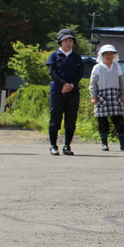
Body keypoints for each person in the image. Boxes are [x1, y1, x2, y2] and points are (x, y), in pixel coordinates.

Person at [47, 28, 84, 156]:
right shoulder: (54, 55)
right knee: (55, 118)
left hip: (73, 92)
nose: (68, 43)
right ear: (60, 42)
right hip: (57, 91)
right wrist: (63, 84)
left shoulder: (77, 57)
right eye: (65, 41)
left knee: (71, 118)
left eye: (70, 40)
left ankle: (67, 145)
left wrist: (72, 84)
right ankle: (53, 145)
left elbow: (80, 73)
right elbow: (52, 72)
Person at [89, 44, 124, 152]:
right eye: (106, 54)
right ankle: (104, 144)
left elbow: (121, 82)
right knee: (103, 122)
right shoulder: (97, 67)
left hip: (114, 95)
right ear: (102, 56)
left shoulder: (116, 66)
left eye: (111, 54)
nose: (108, 56)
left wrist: (122, 95)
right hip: (102, 96)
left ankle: (123, 143)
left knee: (120, 121)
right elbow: (93, 84)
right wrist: (93, 96)